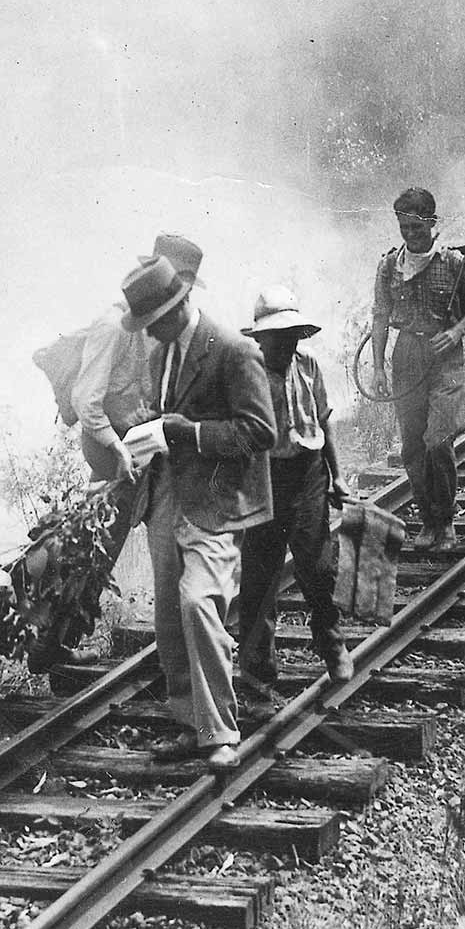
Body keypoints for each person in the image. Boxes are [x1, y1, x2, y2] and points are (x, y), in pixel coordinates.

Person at [121, 253, 276, 772]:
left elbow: (260, 432)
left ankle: (220, 732)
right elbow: (167, 415)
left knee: (198, 604)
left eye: (156, 321)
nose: (151, 332)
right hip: (166, 493)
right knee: (169, 612)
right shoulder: (160, 354)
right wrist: (150, 428)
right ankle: (190, 722)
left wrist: (189, 433)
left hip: (214, 499)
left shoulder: (233, 350)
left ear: (181, 302)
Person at [27, 232, 204, 674]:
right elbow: (89, 401)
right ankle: (51, 650)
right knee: (94, 549)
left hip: (142, 442)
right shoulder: (114, 325)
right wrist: (117, 450)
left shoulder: (156, 323)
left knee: (120, 543)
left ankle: (61, 646)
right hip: (113, 445)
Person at [238, 286, 354, 686]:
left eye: (290, 335)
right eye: (276, 336)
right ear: (260, 338)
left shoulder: (309, 365)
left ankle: (331, 640)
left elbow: (323, 421)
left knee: (318, 567)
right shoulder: (246, 374)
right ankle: (257, 673)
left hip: (308, 473)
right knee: (259, 578)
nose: (284, 344)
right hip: (264, 477)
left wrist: (336, 475)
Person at [371, 188, 465, 553]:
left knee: (438, 441)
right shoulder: (390, 265)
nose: (411, 234)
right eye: (404, 227)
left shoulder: (452, 263)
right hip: (406, 356)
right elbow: (380, 317)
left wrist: (455, 332)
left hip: (444, 359)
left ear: (432, 223)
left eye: (417, 228)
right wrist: (377, 366)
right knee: (412, 447)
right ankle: (428, 519)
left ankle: (446, 519)